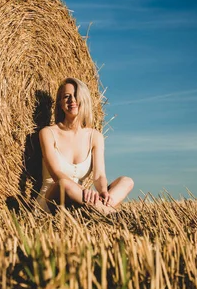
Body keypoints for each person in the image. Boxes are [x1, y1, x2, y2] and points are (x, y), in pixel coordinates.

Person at [37, 77, 134, 214]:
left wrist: (104, 192)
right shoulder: (48, 133)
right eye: (66, 96)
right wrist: (83, 190)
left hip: (81, 201)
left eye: (76, 95)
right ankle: (109, 213)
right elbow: (56, 174)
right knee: (65, 184)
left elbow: (99, 176)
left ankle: (103, 207)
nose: (72, 100)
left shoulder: (95, 136)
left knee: (127, 181)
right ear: (60, 103)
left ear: (84, 99)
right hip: (53, 199)